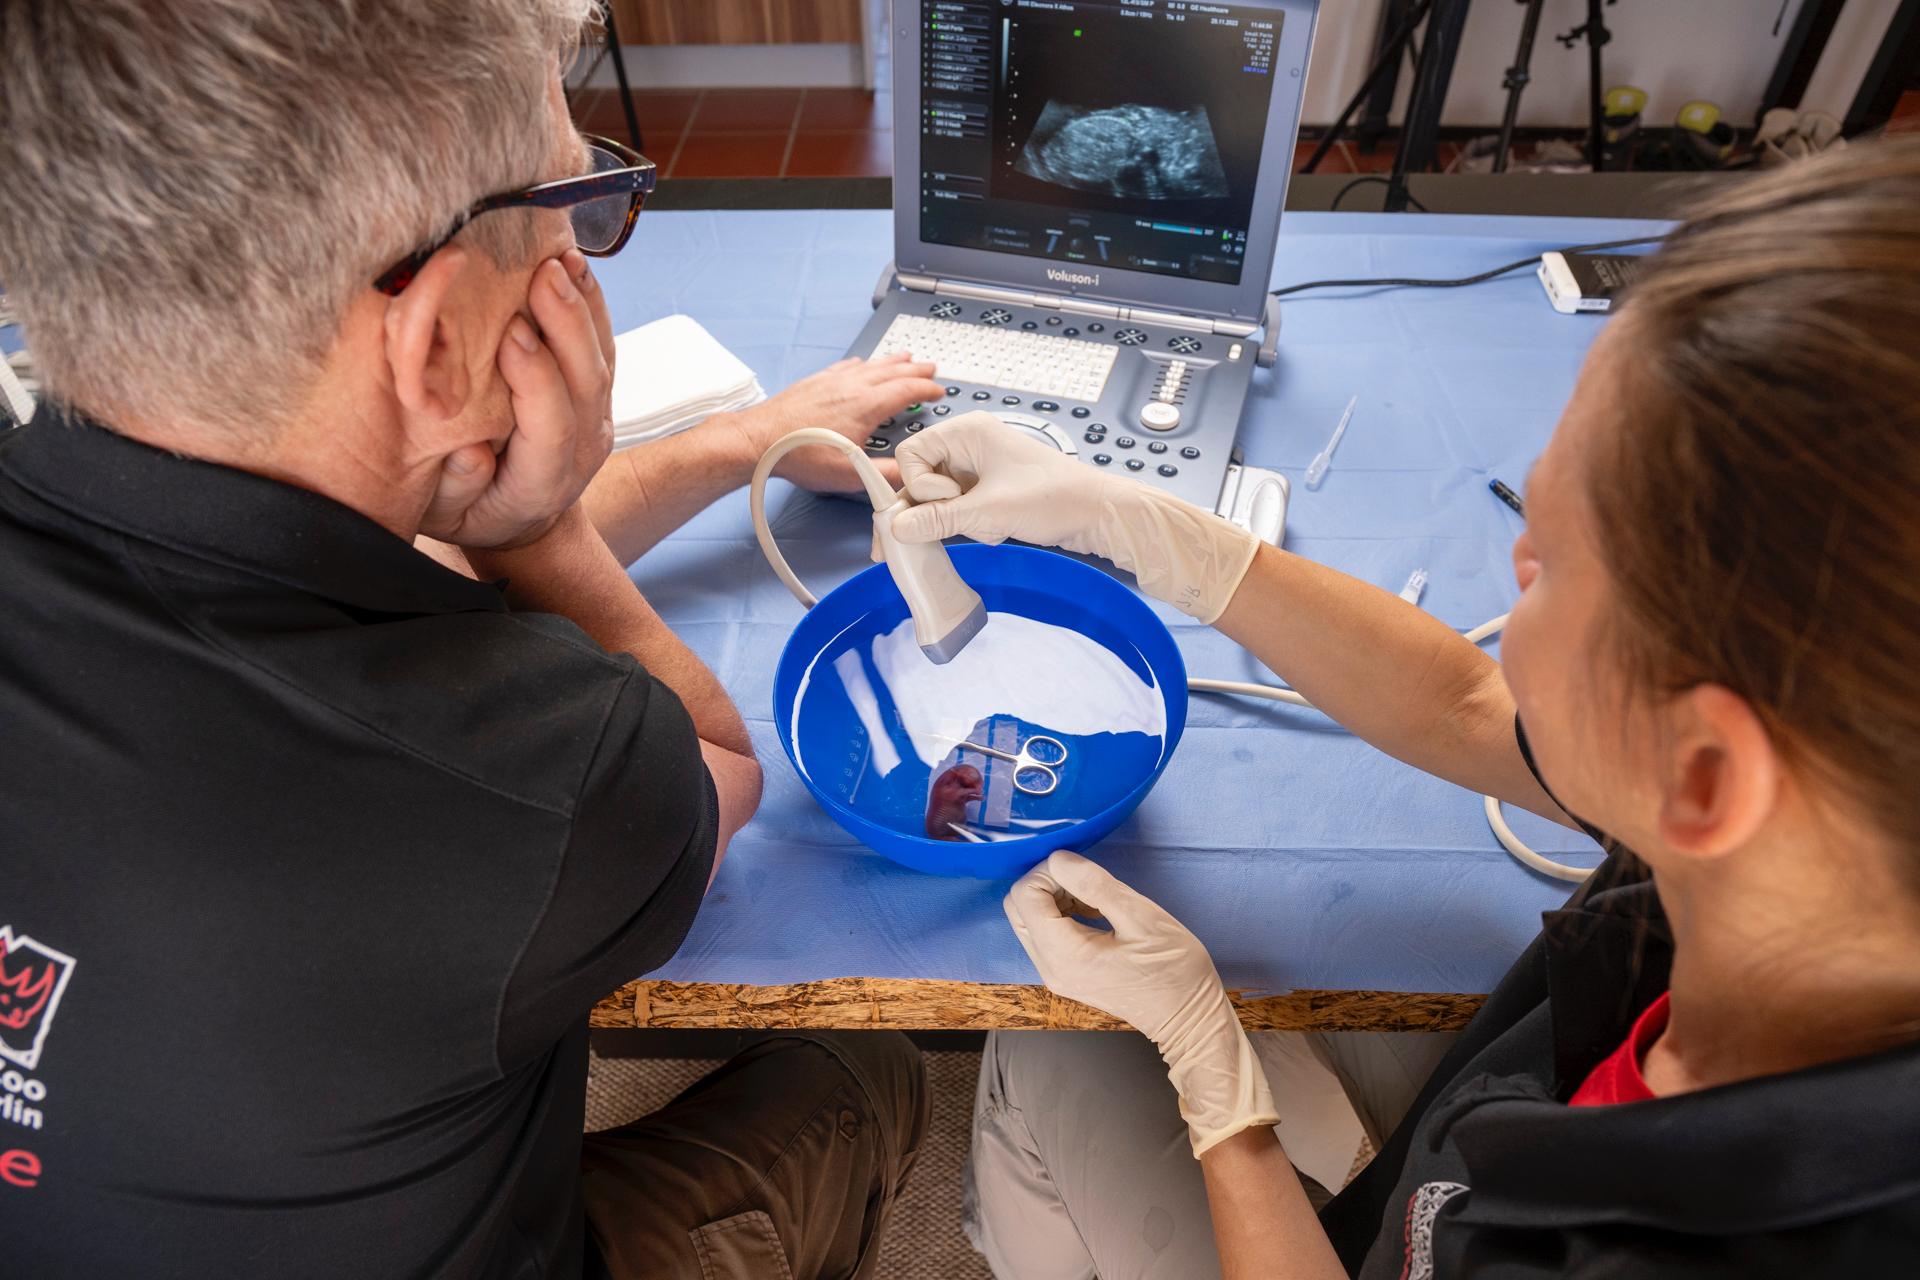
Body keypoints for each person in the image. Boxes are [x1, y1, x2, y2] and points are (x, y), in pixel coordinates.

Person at [0, 2, 939, 1276]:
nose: (584, 264)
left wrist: (738, 440)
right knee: (865, 1065)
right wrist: (542, 527)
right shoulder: (536, 775)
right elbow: (713, 761)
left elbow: (366, 581)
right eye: (577, 211)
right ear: (438, 341)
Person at [889, 137, 1920, 1278]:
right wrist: (1135, 521)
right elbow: (1468, 702)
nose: (1513, 560)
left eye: (1552, 561)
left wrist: (1217, 1081)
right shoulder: (1826, 823)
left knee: (1051, 1051)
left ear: (1705, 773)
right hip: (1498, 1108)